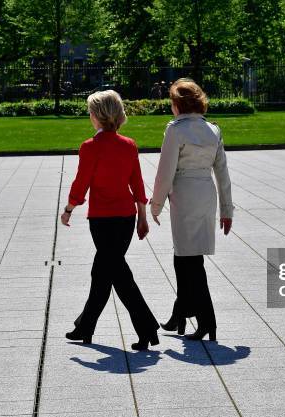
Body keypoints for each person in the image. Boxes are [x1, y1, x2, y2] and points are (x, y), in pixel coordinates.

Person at [62, 90, 160, 351]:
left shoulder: (90, 147)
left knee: (117, 274)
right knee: (103, 273)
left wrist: (68, 209)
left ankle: (147, 325)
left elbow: (81, 183)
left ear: (96, 116)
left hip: (103, 221)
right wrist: (142, 217)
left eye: (89, 112)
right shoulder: (128, 144)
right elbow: (137, 183)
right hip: (126, 219)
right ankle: (85, 327)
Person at [150, 78, 234, 341]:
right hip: (205, 193)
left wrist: (156, 203)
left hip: (184, 194)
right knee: (185, 257)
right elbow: (222, 172)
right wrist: (227, 209)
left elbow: (166, 171)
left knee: (190, 260)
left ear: (178, 105)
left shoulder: (175, 130)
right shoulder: (213, 130)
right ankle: (180, 313)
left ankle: (206, 320)